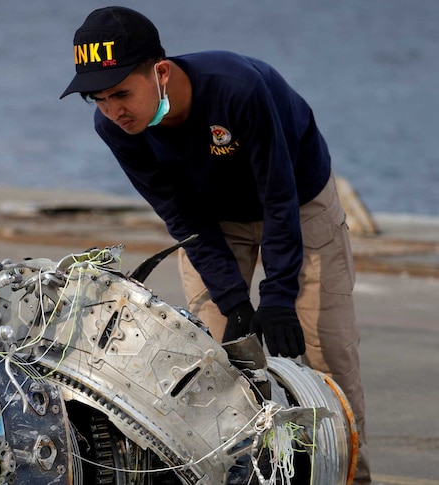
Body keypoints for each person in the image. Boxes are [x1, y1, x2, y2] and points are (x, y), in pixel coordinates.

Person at [60, 6, 370, 483]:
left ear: (160, 72)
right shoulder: (115, 129)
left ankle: (352, 476)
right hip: (212, 219)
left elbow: (279, 196)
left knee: (327, 353)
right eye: (97, 99)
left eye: (122, 93)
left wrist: (279, 296)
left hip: (298, 201)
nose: (113, 111)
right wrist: (234, 300)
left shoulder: (238, 90)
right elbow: (182, 217)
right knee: (215, 363)